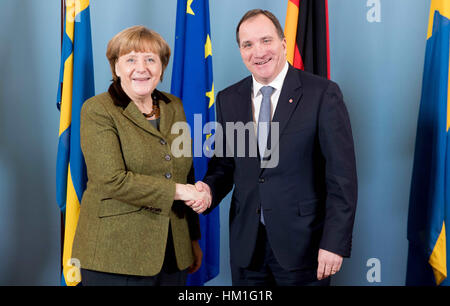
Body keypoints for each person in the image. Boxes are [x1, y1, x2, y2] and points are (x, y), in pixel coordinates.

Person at [191, 9, 358, 286]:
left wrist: (334, 243)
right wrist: (208, 189)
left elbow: (342, 178)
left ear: (283, 43)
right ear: (240, 51)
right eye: (248, 44)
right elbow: (225, 163)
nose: (258, 52)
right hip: (248, 248)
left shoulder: (322, 94)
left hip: (304, 248)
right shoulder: (229, 99)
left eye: (266, 40)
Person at [71, 25, 209, 286]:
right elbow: (112, 180)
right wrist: (181, 191)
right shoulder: (98, 109)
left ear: (161, 67)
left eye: (150, 59)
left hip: (173, 253)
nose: (141, 68)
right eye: (130, 59)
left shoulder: (173, 106)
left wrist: (191, 239)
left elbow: (184, 172)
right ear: (116, 67)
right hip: (115, 255)